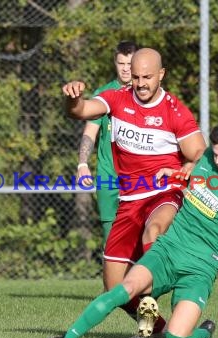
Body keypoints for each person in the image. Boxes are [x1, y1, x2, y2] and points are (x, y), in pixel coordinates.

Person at [45, 121, 218, 338]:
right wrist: (174, 173)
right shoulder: (209, 157)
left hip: (200, 268)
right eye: (216, 154)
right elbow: (194, 177)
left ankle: (204, 332)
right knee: (124, 289)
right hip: (168, 250)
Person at [64, 48, 207, 336]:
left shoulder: (175, 111)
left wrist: (187, 169)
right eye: (137, 77)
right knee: (115, 289)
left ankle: (175, 281)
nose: (140, 83)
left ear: (161, 75)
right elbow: (80, 112)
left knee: (153, 230)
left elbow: (199, 154)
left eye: (147, 77)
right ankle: (161, 330)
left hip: (164, 192)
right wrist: (72, 99)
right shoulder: (116, 98)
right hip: (129, 200)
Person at [77, 41, 139, 245]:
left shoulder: (148, 95)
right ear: (115, 63)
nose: (125, 68)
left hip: (140, 178)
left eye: (130, 64)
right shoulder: (104, 95)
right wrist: (83, 164)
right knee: (111, 242)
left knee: (143, 239)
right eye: (121, 63)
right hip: (109, 177)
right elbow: (90, 132)